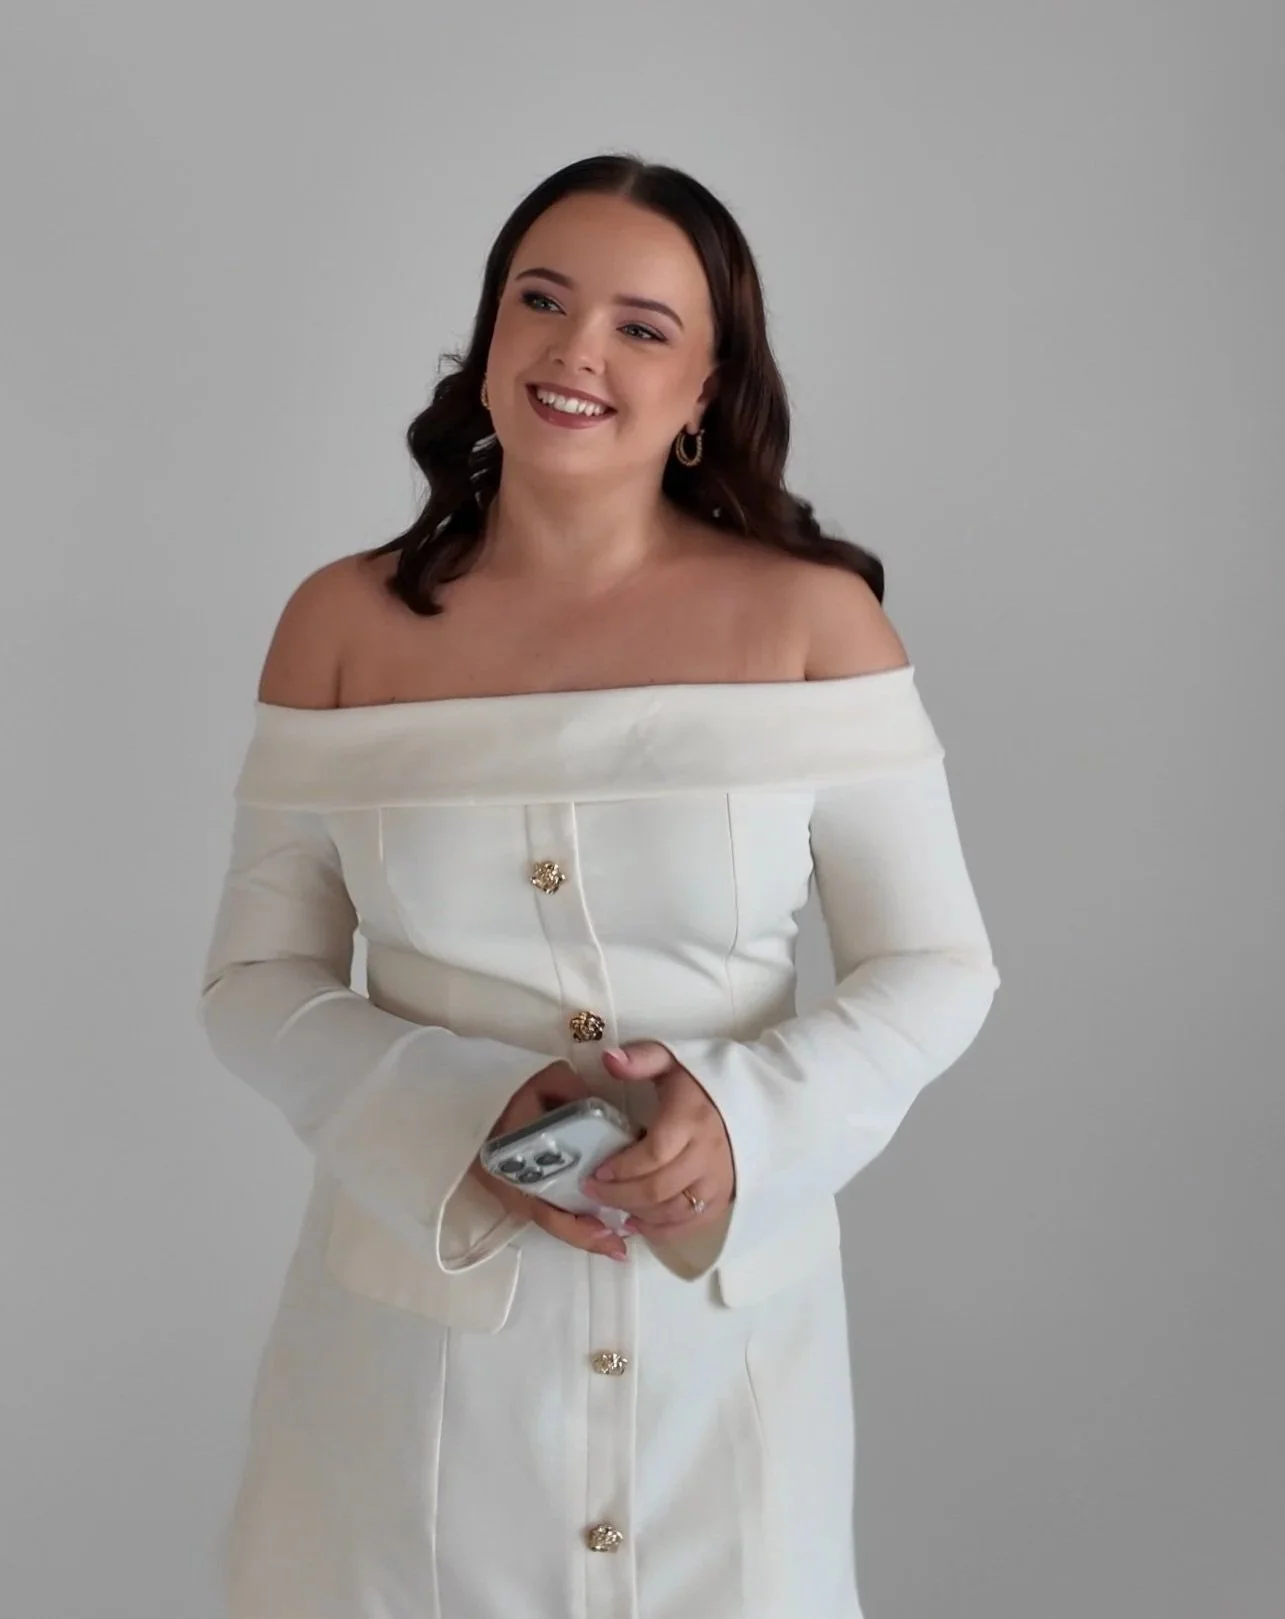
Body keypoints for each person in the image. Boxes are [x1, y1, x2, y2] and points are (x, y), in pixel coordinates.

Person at [197, 152, 1001, 1619]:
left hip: (726, 1359)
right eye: (542, 301)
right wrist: (459, 1110)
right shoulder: (342, 623)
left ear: (706, 388)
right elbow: (256, 980)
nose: (577, 351)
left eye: (642, 326)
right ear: (489, 332)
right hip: (409, 1369)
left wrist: (744, 1120)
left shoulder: (816, 624)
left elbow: (937, 965)